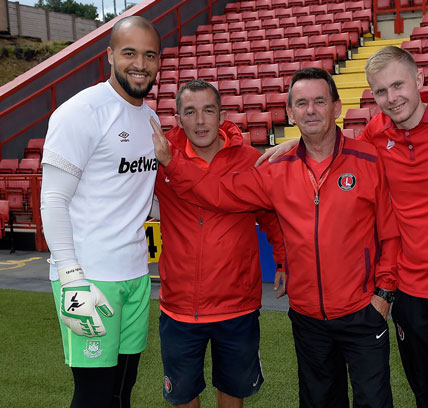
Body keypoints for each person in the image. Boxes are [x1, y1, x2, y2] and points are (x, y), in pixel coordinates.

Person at [259, 46, 428, 408]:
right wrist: (302, 141)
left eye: (398, 85)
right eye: (381, 91)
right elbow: (335, 147)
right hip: (411, 297)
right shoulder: (376, 134)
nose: (392, 98)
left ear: (418, 80)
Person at [151, 67, 401, 408]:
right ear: (290, 112)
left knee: (373, 401)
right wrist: (172, 163)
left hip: (362, 310)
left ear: (337, 107)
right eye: (301, 103)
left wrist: (384, 295)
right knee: (319, 401)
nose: (310, 110)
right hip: (307, 316)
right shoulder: (274, 168)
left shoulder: (368, 159)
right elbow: (220, 193)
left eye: (318, 102)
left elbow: (391, 233)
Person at [39, 16, 160, 408]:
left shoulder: (151, 117)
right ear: (109, 55)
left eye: (149, 55)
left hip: (135, 276)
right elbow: (53, 200)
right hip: (89, 279)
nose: (139, 63)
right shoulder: (81, 112)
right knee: (93, 397)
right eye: (129, 53)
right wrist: (71, 278)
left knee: (122, 392)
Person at [153, 80, 286, 408]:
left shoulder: (249, 160)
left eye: (208, 111)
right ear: (178, 118)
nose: (200, 121)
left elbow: (270, 216)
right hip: (181, 305)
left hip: (236, 303)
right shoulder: (159, 159)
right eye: (190, 112)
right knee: (183, 395)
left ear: (221, 114)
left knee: (232, 391)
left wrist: (283, 261)